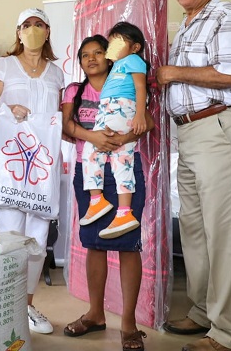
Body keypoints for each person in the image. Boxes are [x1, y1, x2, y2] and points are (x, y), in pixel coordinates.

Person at [157, 0, 231, 351]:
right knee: (196, 231)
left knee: (225, 233)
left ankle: (229, 331)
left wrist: (172, 73)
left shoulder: (225, 14)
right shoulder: (185, 26)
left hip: (222, 125)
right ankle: (203, 312)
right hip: (190, 132)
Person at [62, 34, 153, 351]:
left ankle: (128, 324)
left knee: (128, 244)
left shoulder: (126, 79)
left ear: (110, 55)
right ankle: (95, 314)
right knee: (95, 245)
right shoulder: (74, 91)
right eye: (84, 55)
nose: (91, 59)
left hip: (124, 170)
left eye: (98, 52)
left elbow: (148, 120)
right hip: (88, 176)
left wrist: (122, 138)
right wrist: (94, 138)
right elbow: (66, 126)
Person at [0, 7, 64, 334]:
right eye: (25, 25)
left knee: (38, 241)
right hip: (12, 166)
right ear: (17, 32)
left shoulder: (56, 73)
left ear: (47, 31)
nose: (32, 29)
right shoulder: (3, 65)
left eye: (38, 24)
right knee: (11, 237)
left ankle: (25, 307)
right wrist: (7, 107)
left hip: (44, 166)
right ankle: (6, 307)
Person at [80, 22, 149, 239]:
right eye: (111, 42)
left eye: (117, 41)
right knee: (122, 160)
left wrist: (139, 114)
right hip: (113, 110)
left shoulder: (132, 61)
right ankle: (123, 211)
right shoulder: (118, 65)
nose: (112, 46)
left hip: (120, 109)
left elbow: (140, 88)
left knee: (91, 151)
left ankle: (96, 199)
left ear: (135, 46)